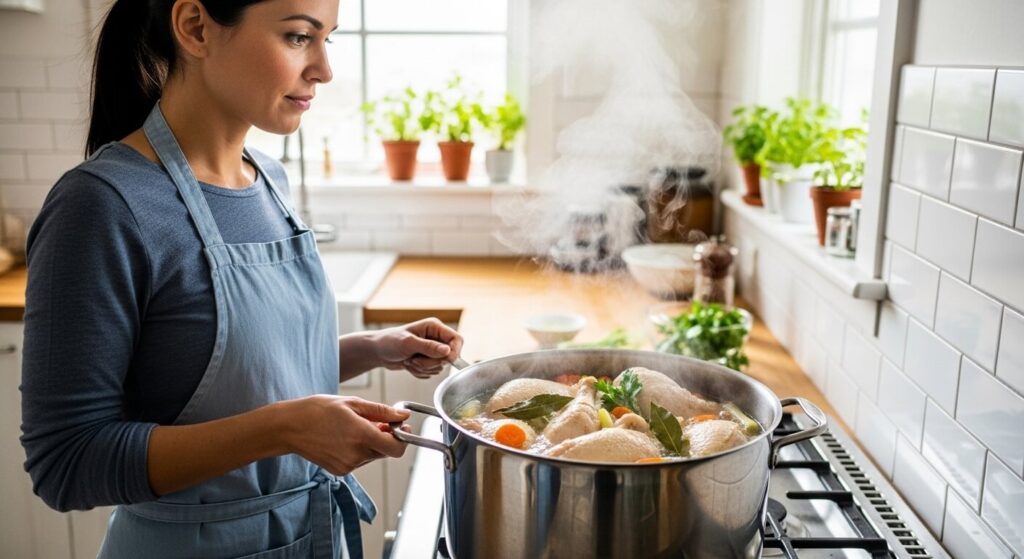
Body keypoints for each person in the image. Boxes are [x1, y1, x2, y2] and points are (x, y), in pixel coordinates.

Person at [18, 1, 463, 557]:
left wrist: (373, 348)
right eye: (298, 37)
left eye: (327, 39)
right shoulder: (100, 206)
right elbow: (66, 462)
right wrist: (283, 430)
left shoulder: (267, 180)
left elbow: (249, 371)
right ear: (196, 28)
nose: (324, 70)